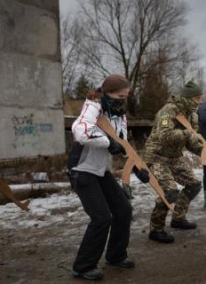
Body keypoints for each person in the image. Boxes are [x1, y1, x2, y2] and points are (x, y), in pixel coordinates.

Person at [67, 74, 150, 280]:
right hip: (82, 169)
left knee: (123, 210)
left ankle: (115, 255)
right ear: (108, 92)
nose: (123, 100)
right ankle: (83, 266)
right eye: (120, 95)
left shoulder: (119, 114)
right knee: (101, 217)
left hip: (100, 170)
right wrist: (107, 142)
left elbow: (122, 143)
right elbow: (81, 132)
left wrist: (136, 167)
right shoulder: (93, 106)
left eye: (126, 96)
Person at [143, 81, 206, 243]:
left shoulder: (192, 115)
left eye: (200, 98)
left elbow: (191, 141)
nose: (199, 101)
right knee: (170, 192)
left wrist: (205, 153)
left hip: (174, 157)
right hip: (157, 157)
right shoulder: (168, 111)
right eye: (196, 98)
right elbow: (164, 136)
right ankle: (156, 229)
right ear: (187, 98)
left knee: (194, 184)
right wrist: (186, 133)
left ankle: (178, 218)